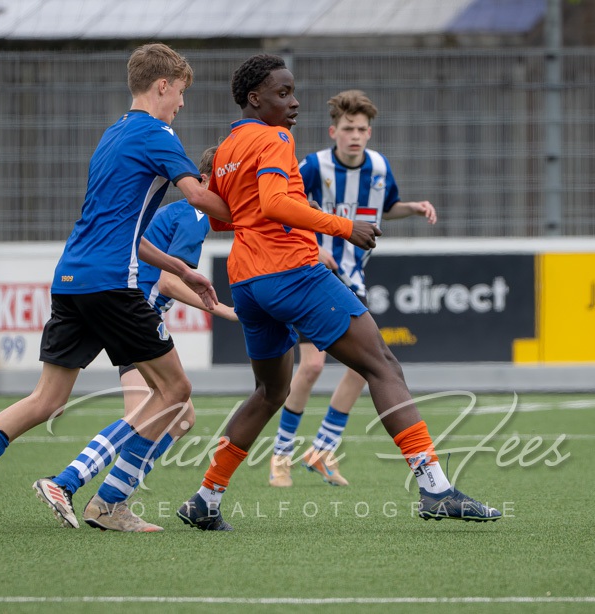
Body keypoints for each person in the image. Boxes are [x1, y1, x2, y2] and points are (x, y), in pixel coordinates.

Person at [0, 43, 232, 533]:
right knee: (176, 393)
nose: (182, 103)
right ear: (162, 85)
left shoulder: (112, 134)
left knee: (45, 400)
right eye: (181, 92)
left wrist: (181, 269)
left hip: (71, 278)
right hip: (113, 284)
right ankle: (92, 493)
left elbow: (120, 228)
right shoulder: (159, 134)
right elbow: (196, 195)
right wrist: (262, 211)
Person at [176, 54, 500, 532]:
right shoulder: (275, 138)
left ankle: (205, 498)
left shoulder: (227, 148)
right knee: (383, 365)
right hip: (292, 272)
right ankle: (435, 489)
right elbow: (274, 203)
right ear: (254, 98)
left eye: (292, 92)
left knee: (270, 391)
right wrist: (344, 227)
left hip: (246, 281)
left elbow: (227, 218)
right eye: (283, 93)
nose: (294, 102)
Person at [32, 146, 238, 531]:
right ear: (208, 180)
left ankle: (108, 501)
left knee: (180, 417)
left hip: (127, 311)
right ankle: (69, 483)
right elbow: (169, 281)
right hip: (133, 316)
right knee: (148, 414)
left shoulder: (178, 212)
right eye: (229, 180)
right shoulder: (194, 215)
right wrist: (225, 311)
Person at [268, 89, 437, 488]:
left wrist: (412, 208)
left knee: (365, 367)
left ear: (369, 132)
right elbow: (281, 210)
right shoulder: (313, 167)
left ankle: (322, 451)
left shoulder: (379, 167)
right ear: (334, 132)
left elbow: (383, 210)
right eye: (348, 129)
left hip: (353, 279)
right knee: (311, 366)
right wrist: (312, 248)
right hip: (311, 277)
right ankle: (280, 455)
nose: (355, 135)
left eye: (361, 129)